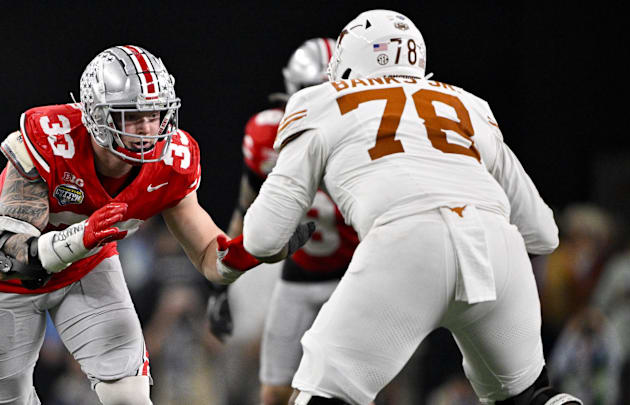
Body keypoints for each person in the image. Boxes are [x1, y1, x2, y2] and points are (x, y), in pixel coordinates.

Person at [242, 10, 583, 405]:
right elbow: (542, 232)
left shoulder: (320, 101)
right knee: (528, 397)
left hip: (405, 242)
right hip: (496, 249)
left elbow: (262, 238)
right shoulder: (469, 105)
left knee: (324, 394)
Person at [0, 45, 312, 405]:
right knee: (3, 401)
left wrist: (247, 253)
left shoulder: (172, 161)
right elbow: (8, 258)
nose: (148, 129)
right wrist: (80, 237)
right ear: (97, 115)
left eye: (155, 114)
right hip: (6, 281)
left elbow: (210, 256)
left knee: (128, 394)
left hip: (86, 268)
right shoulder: (51, 139)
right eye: (132, 117)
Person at [206, 38, 360, 405]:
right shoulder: (266, 138)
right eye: (315, 93)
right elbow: (245, 212)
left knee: (354, 392)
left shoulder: (364, 139)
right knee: (274, 390)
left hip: (353, 280)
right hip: (297, 278)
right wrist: (221, 285)